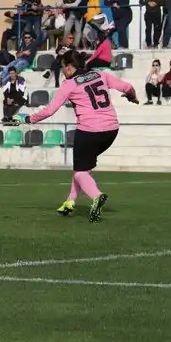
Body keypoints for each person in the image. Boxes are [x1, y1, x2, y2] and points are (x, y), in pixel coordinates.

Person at [17, 50, 138, 222]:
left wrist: (29, 118)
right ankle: (69, 202)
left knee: (81, 172)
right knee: (82, 167)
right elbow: (127, 88)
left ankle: (97, 196)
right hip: (111, 130)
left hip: (89, 131)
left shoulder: (69, 84)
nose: (63, 72)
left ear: (68, 66)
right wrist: (132, 96)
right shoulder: (99, 74)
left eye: (62, 67)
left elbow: (50, 110)